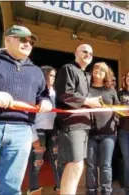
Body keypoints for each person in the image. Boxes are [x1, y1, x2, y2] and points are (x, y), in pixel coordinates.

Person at [0, 25, 52, 195]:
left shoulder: (36, 72)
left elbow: (42, 95)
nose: (28, 43)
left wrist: (45, 102)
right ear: (8, 39)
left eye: (30, 41)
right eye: (23, 39)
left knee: (12, 186)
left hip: (22, 132)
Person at [55, 44, 102, 195]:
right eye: (85, 51)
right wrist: (89, 101)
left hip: (84, 124)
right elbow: (65, 94)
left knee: (78, 165)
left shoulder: (87, 75)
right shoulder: (68, 69)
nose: (88, 54)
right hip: (71, 123)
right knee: (74, 164)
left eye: (91, 53)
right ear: (76, 53)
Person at [86, 62, 120, 195]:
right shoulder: (86, 89)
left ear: (106, 74)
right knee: (90, 165)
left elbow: (118, 108)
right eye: (95, 68)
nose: (98, 71)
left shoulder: (111, 90)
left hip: (108, 134)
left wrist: (115, 122)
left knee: (106, 165)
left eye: (102, 70)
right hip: (89, 133)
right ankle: (91, 191)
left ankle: (106, 191)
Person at [28, 66, 61, 195]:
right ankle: (34, 189)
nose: (49, 78)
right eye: (46, 75)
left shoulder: (57, 93)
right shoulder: (35, 91)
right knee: (37, 162)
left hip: (54, 130)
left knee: (57, 161)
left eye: (52, 75)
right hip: (39, 129)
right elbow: (28, 114)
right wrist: (33, 135)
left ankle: (60, 188)